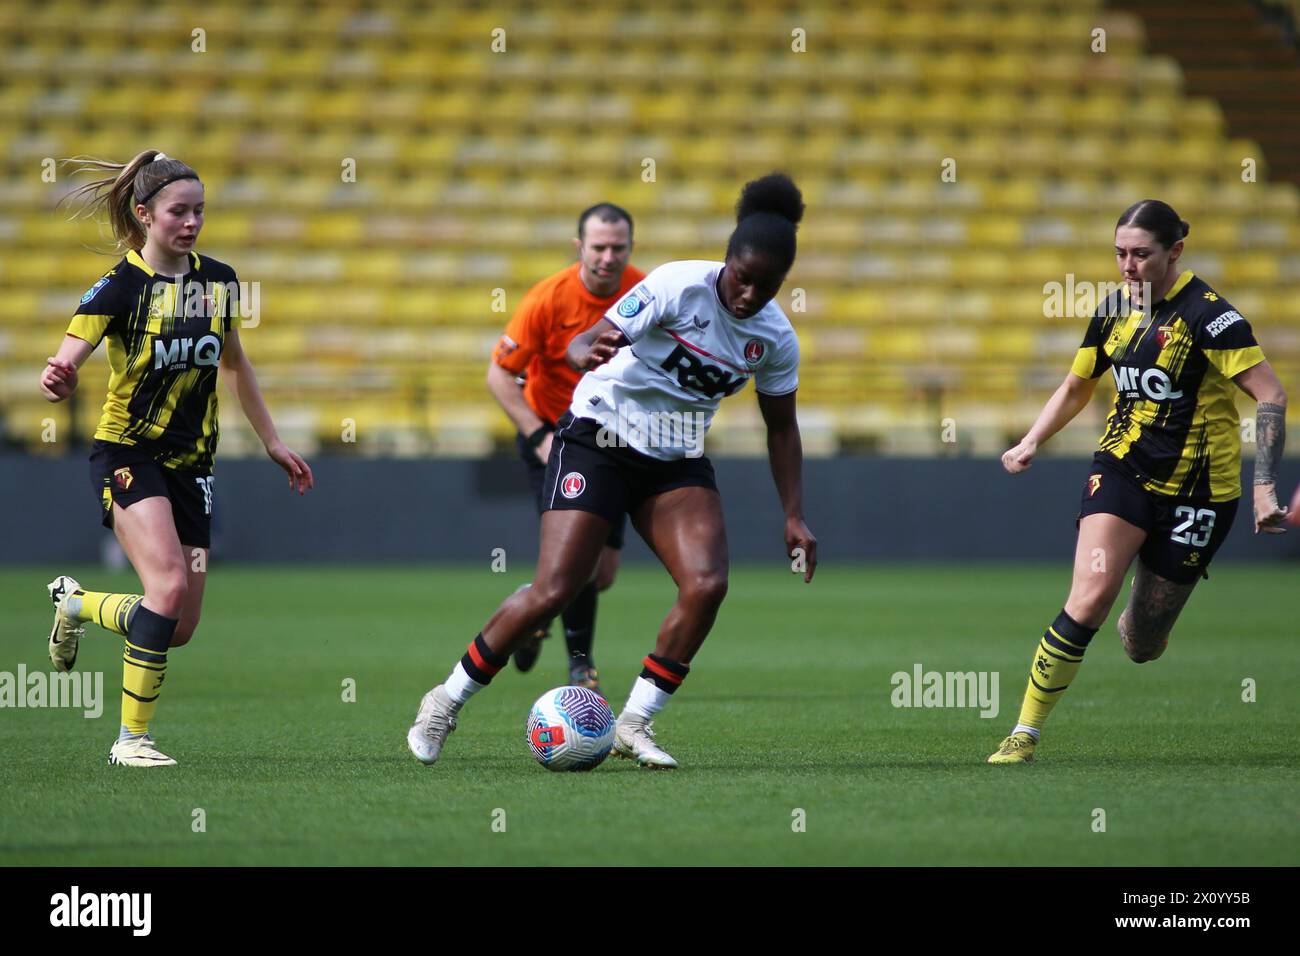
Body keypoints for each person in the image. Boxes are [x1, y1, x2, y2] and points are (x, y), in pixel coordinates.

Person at [409, 173, 818, 769]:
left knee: (707, 584)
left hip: (675, 458)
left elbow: (782, 428)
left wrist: (794, 515)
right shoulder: (680, 283)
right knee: (555, 589)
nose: (749, 294)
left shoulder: (776, 338)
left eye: (767, 284)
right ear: (726, 260)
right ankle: (444, 702)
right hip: (600, 438)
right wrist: (581, 348)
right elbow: (599, 334)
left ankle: (634, 722)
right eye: (742, 276)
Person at [40, 149, 314, 767]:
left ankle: (77, 604)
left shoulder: (220, 280)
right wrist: (57, 378)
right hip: (128, 453)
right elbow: (66, 360)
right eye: (178, 212)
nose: (191, 223)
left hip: (195, 463)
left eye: (199, 212)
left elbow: (236, 362)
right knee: (164, 587)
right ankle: (131, 741)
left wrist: (272, 441)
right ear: (144, 214)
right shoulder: (119, 287)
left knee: (179, 624)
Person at [989, 199, 1288, 764]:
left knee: (1141, 644)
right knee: (1088, 599)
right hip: (1122, 472)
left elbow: (1271, 393)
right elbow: (1078, 385)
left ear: (1174, 251)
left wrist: (1264, 484)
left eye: (1141, 254)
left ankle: (1144, 610)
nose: (1128, 266)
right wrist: (1032, 439)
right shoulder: (1111, 312)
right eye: (1120, 254)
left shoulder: (1210, 317)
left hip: (1201, 492)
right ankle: (1023, 733)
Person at [486, 203, 645, 691]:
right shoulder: (547, 299)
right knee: (582, 559)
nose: (608, 257)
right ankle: (582, 665)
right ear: (580, 247)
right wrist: (538, 435)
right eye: (598, 246)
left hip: (616, 438)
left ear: (629, 248)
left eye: (618, 247)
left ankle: (533, 609)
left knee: (603, 574)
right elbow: (499, 375)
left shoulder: (646, 292)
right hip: (556, 439)